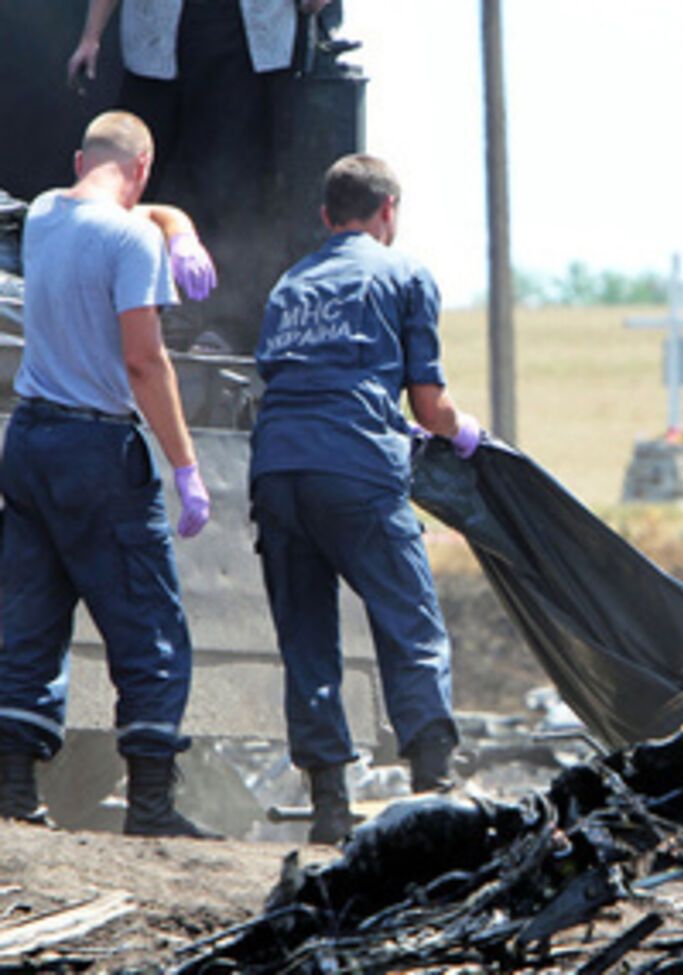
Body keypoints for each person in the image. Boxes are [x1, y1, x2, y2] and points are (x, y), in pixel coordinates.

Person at [249, 153, 481, 845]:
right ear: (388, 211)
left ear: (325, 217)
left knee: (307, 637)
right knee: (410, 622)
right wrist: (463, 432)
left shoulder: (288, 284)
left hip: (277, 471)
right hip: (355, 470)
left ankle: (327, 805)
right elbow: (430, 404)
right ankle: (434, 784)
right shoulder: (403, 272)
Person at [0, 111, 217, 837]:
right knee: (148, 622)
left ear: (77, 160)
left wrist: (177, 228)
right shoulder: (131, 239)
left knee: (29, 615)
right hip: (99, 448)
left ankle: (14, 795)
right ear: (144, 168)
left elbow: (120, 202)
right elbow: (144, 362)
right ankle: (151, 806)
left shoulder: (42, 217)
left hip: (29, 441)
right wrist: (186, 467)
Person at [66, 0, 334, 348]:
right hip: (158, 42)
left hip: (245, 45)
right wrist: (91, 37)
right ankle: (127, 312)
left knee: (236, 188)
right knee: (136, 180)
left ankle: (229, 323)